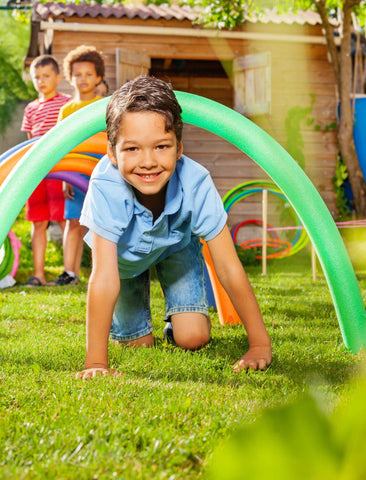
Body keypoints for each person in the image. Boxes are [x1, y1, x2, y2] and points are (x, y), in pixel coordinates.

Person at [76, 76, 272, 379]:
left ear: (179, 148)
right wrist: (96, 363)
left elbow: (229, 268)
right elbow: (103, 278)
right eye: (132, 149)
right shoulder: (106, 186)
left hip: (175, 248)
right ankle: (135, 328)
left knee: (193, 338)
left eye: (161, 146)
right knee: (138, 344)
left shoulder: (196, 182)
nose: (148, 162)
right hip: (123, 264)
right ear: (112, 153)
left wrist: (259, 344)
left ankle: (179, 322)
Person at [48, 45, 105, 286]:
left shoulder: (104, 105)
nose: (83, 79)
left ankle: (103, 272)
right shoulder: (67, 109)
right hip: (75, 174)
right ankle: (69, 273)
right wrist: (64, 178)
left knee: (100, 225)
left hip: (100, 174)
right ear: (70, 78)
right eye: (78, 74)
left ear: (99, 77)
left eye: (88, 74)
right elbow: (61, 145)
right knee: (73, 223)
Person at [21, 55, 71, 286]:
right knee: (38, 222)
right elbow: (30, 141)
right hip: (37, 171)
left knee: (64, 219)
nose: (41, 81)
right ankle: (39, 274)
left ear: (58, 78)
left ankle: (68, 273)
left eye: (46, 76)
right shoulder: (31, 108)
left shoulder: (67, 103)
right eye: (36, 77)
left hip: (60, 169)